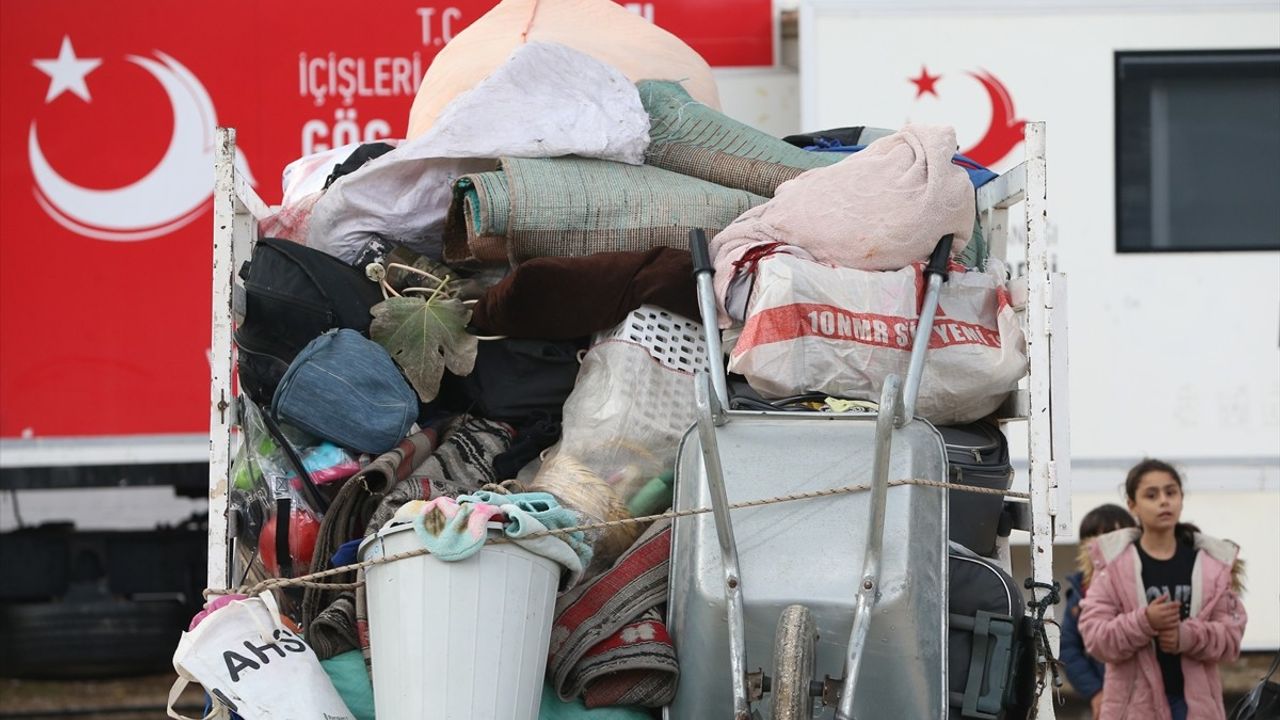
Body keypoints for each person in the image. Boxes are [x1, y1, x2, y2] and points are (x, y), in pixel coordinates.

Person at [1079, 459, 1247, 720]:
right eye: (1151, 494)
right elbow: (1096, 639)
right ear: (1132, 505)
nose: (1164, 501)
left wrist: (1186, 636)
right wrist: (1144, 621)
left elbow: (1231, 639)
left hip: (1196, 709)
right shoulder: (1113, 568)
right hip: (1133, 709)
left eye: (1171, 492)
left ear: (1181, 499)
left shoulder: (1211, 567)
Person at [1062, 504, 1138, 718]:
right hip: (1107, 695)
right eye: (1094, 537)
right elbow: (1068, 647)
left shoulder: (1144, 581)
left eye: (1113, 536)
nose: (1104, 543)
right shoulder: (1080, 593)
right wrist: (1095, 691)